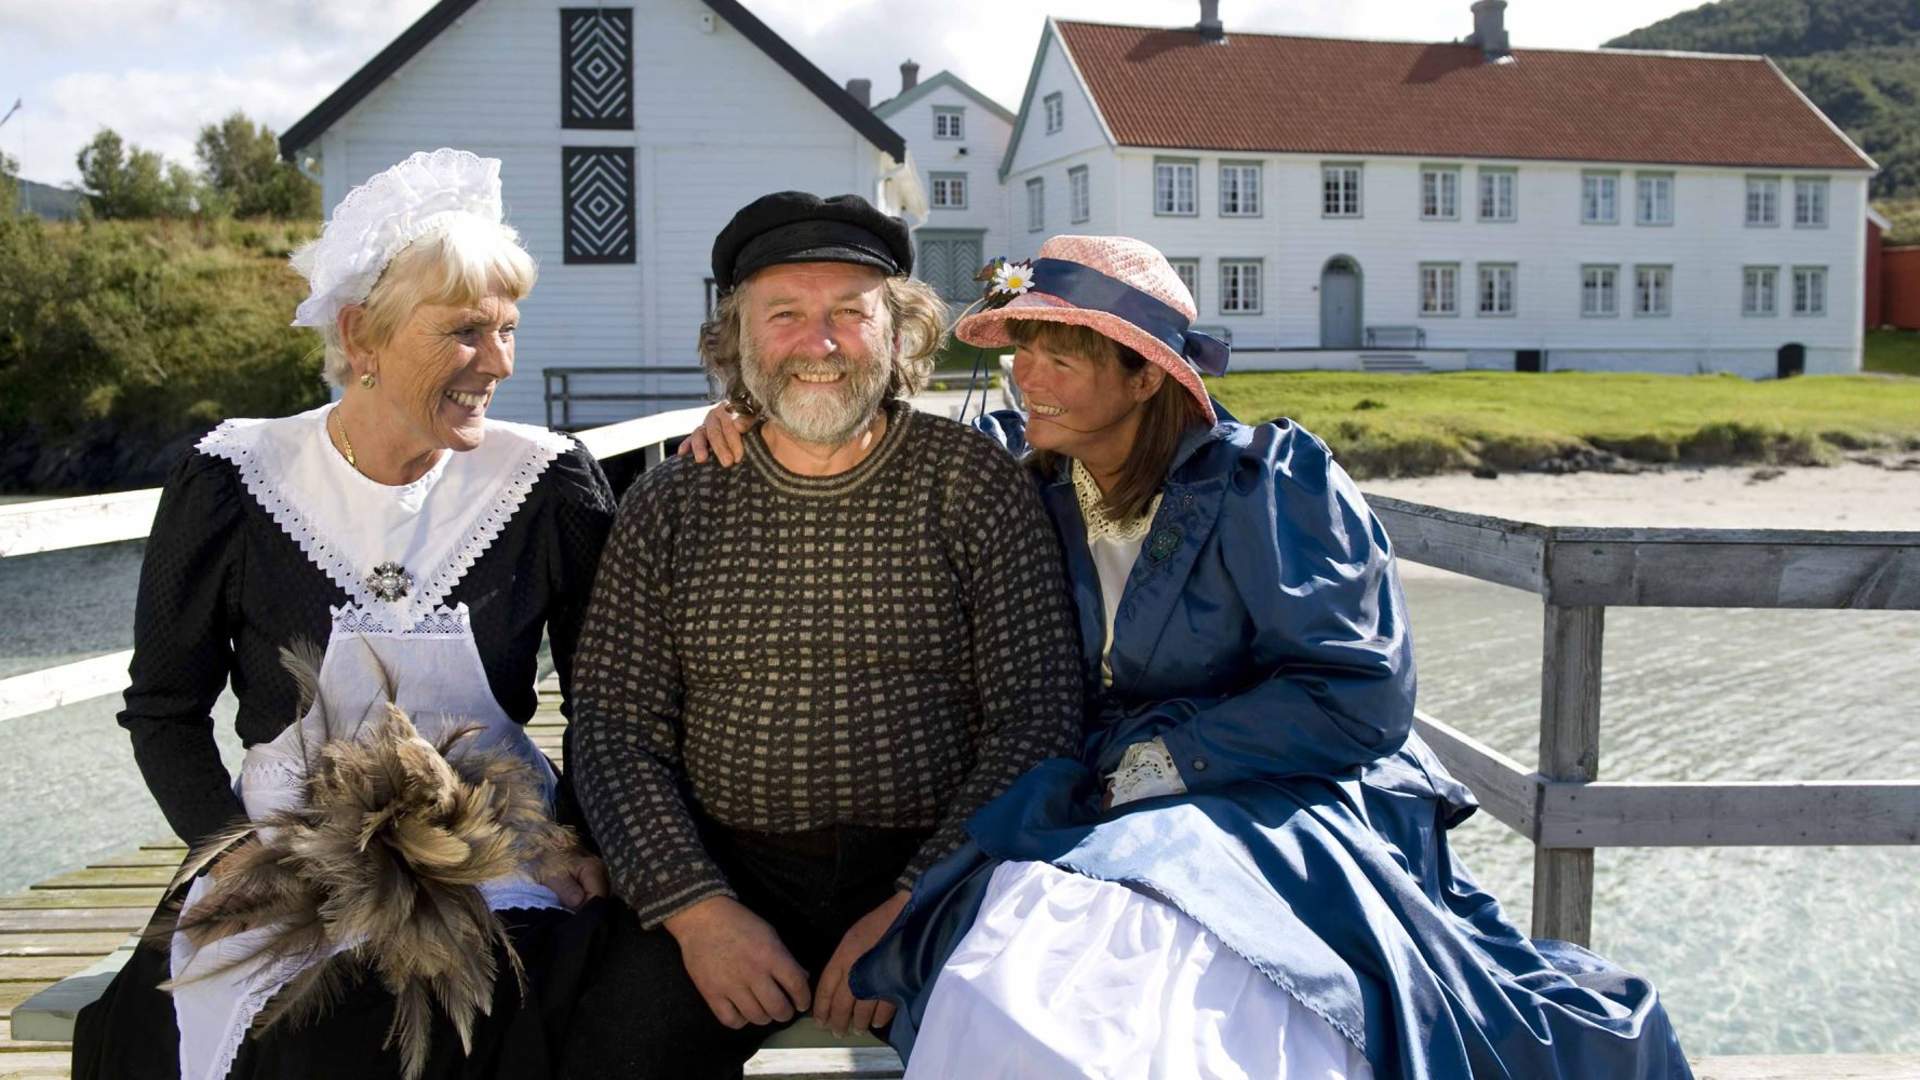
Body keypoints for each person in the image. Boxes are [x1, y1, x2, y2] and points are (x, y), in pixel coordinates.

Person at [689, 236, 1694, 1079]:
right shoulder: (1024, 479)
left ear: (1144, 376)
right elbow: (867, 441)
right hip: (1087, 792)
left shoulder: (1269, 484)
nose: (1026, 376)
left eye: (1059, 357)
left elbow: (1360, 696)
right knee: (1029, 959)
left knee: (1189, 976)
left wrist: (1160, 765)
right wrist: (747, 419)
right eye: (1019, 353)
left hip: (1276, 789)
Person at [71, 148, 617, 1080]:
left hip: (496, 850)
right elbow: (162, 709)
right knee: (262, 1027)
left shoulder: (546, 483)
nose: (497, 364)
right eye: (464, 334)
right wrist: (231, 851)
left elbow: (613, 704)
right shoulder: (235, 480)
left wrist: (575, 837)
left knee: (499, 1022)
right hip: (279, 850)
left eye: (507, 330)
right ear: (361, 335)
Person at [560, 191, 1085, 1078]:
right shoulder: (670, 503)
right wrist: (696, 911)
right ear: (739, 340)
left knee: (1027, 1048)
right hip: (727, 867)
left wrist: (918, 902)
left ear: (897, 332)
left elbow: (1036, 716)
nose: (823, 343)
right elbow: (614, 728)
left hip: (938, 872)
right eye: (787, 316)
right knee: (602, 1047)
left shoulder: (971, 484)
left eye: (851, 313)